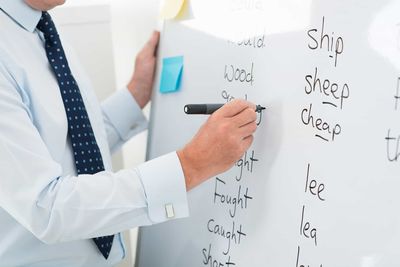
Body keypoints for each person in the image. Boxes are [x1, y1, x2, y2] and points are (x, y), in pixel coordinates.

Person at [0, 0, 258, 266]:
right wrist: (190, 165)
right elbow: (46, 207)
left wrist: (135, 94)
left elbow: (70, 149)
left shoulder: (42, 25)